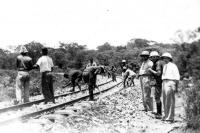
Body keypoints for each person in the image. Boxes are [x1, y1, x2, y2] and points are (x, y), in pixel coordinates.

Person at [161, 52, 180, 122]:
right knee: (165, 100)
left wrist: (176, 86)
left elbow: (177, 76)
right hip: (164, 82)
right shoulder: (165, 66)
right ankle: (166, 116)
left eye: (166, 58)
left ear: (169, 58)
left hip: (171, 81)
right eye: (163, 58)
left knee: (170, 100)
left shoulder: (173, 66)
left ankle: (170, 118)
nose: (164, 59)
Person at [148, 51, 165, 119]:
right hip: (154, 83)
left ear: (157, 57)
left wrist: (150, 70)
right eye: (152, 57)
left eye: (154, 57)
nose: (153, 58)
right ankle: (157, 111)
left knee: (157, 97)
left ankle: (159, 113)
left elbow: (158, 73)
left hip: (157, 83)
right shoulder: (156, 63)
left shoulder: (157, 63)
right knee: (155, 97)